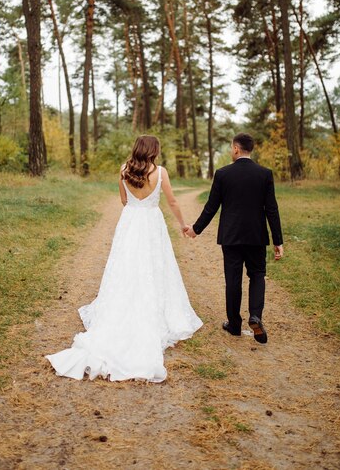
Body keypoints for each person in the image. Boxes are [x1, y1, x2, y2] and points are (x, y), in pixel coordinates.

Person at [45, 135, 202, 382]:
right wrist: (184, 225)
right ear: (153, 151)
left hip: (130, 222)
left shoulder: (123, 170)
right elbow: (171, 201)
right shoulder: (160, 172)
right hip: (151, 223)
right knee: (153, 265)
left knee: (126, 266)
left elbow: (124, 201)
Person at [184, 133, 283, 344]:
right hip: (256, 236)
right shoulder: (265, 174)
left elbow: (211, 207)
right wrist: (278, 240)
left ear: (236, 149)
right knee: (257, 275)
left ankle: (234, 324)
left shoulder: (223, 174)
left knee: (233, 279)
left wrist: (196, 229)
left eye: (231, 148)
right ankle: (255, 316)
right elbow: (271, 209)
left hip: (231, 236)